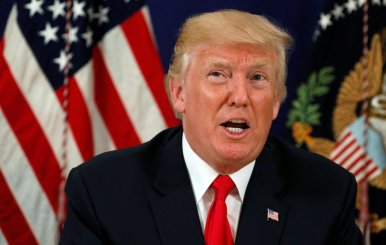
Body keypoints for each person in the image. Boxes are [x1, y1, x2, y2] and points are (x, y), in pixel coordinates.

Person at [59, 9, 363, 244]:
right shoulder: (102, 191)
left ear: (275, 102)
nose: (241, 97)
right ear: (179, 94)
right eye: (218, 74)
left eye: (258, 78)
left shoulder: (328, 194)